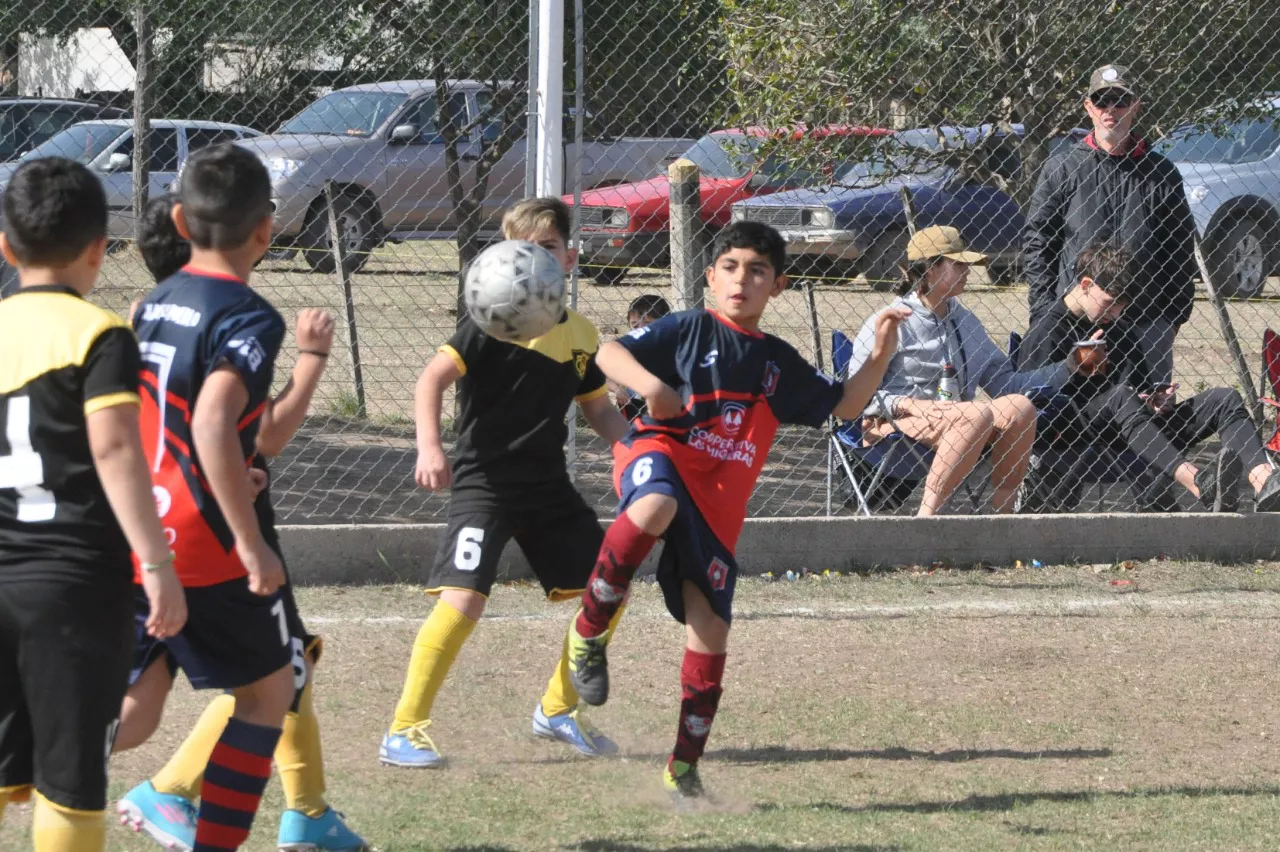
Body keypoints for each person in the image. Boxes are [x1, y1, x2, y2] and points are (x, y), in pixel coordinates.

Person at [560, 220, 910, 805]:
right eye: (730, 267)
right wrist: (652, 386)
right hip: (659, 453)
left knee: (712, 633)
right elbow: (608, 351)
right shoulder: (689, 328)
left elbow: (846, 406)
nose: (741, 280)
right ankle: (588, 634)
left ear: (778, 285)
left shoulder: (777, 361)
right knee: (655, 502)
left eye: (757, 270)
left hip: (719, 502)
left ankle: (682, 771)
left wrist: (878, 355)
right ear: (710, 276)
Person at [115, 194, 366, 852]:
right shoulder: (232, 322)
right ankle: (176, 792)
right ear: (258, 231)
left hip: (150, 526)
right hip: (212, 534)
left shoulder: (144, 315)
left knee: (144, 701)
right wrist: (311, 361)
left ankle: (305, 811)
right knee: (277, 678)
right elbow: (250, 435)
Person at [378, 197, 631, 769]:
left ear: (569, 257)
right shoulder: (486, 322)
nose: (532, 264)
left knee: (609, 590)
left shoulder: (580, 334)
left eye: (546, 249)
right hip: (484, 484)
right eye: (521, 251)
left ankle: (558, 709)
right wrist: (428, 446)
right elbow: (430, 380)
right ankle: (403, 729)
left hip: (547, 489)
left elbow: (598, 411)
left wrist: (635, 447)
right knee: (462, 601)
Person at [0, 157, 184, 850]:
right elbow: (115, 451)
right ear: (98, 249)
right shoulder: (100, 336)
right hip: (72, 583)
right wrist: (157, 563)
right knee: (69, 777)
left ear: (6, 247)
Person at [1020, 242, 1280, 512]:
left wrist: (1154, 400)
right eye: (1110, 304)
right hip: (1075, 437)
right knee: (1121, 397)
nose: (1116, 313)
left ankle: (1265, 483)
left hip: (1135, 431)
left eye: (1122, 306)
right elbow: (1029, 405)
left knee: (1224, 399)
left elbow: (1138, 388)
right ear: (1086, 285)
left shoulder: (1116, 328)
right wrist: (1073, 369)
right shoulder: (1046, 331)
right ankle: (1199, 482)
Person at [845, 226, 1077, 516]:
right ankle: (928, 521)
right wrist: (907, 403)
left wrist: (1069, 367)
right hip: (892, 423)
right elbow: (856, 394)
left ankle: (1003, 519)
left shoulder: (966, 322)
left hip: (961, 422)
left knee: (1020, 407)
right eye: (958, 264)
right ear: (929, 269)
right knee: (975, 414)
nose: (968, 271)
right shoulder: (890, 320)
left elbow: (1005, 384)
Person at [1023, 63, 1197, 387]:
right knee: (1066, 423)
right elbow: (1038, 244)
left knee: (1145, 418)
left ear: (1135, 107)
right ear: (1089, 107)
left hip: (1144, 320)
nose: (1110, 110)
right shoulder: (1062, 169)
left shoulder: (1161, 174)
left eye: (1120, 100)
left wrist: (1172, 318)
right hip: (1076, 321)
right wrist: (1046, 311)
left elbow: (1181, 251)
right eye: (1102, 101)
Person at [615, 294, 671, 419]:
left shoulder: (673, 349)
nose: (640, 330)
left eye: (647, 324)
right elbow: (607, 377)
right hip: (635, 408)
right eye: (635, 326)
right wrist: (617, 389)